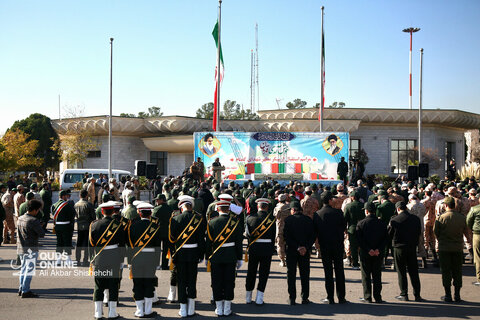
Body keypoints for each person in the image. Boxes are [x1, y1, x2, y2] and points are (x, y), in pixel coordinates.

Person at [206, 196, 243, 317]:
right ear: (229, 209)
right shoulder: (235, 222)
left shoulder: (211, 222)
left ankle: (219, 308)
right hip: (231, 255)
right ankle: (227, 309)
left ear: (217, 208)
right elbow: (239, 242)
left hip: (216, 256)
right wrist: (239, 257)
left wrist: (207, 257)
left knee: (216, 281)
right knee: (229, 281)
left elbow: (208, 243)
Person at [168, 195, 205, 317]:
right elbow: (201, 239)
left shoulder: (175, 219)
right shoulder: (198, 218)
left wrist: (173, 253)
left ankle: (183, 309)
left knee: (182, 281)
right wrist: (201, 254)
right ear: (191, 206)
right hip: (194, 253)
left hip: (180, 254)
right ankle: (191, 309)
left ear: (181, 206)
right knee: (192, 280)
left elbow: (171, 239)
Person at [89, 201, 126, 320]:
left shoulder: (94, 225)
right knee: (113, 284)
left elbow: (91, 244)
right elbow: (122, 244)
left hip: (100, 258)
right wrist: (121, 259)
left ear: (102, 211)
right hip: (114, 257)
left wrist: (92, 259)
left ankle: (98, 313)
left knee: (99, 285)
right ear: (112, 211)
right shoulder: (118, 225)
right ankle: (112, 313)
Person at [127, 202, 160, 318]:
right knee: (149, 284)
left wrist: (129, 262)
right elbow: (157, 247)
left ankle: (139, 311)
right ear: (151, 213)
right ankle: (148, 310)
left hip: (136, 258)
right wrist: (157, 262)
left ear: (139, 212)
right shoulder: (155, 227)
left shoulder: (132, 226)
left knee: (138, 284)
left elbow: (129, 246)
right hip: (151, 258)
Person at [315, 191, 347, 304]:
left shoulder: (317, 214)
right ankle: (341, 297)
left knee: (328, 272)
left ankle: (330, 297)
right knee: (339, 271)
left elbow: (316, 231)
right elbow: (343, 226)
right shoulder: (338, 213)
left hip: (325, 246)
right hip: (337, 245)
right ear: (329, 200)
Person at [388, 201, 423, 302]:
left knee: (401, 271)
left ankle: (404, 294)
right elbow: (418, 232)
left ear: (398, 209)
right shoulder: (415, 219)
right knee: (414, 271)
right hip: (412, 247)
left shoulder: (394, 220)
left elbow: (389, 234)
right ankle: (417, 294)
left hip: (399, 248)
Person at [435, 197, 467, 302]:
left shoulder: (441, 218)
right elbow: (466, 232)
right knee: (457, 271)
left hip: (444, 247)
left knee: (446, 271)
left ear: (446, 205)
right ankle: (457, 295)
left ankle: (448, 295)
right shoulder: (461, 217)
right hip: (457, 247)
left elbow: (436, 233)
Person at [245, 198, 276, 305]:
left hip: (254, 248)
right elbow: (273, 237)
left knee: (251, 272)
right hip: (267, 248)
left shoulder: (250, 218)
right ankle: (259, 298)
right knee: (264, 273)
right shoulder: (272, 219)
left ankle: (248, 296)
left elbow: (248, 235)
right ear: (267, 207)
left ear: (258, 206)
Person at [283, 204, 315, 305]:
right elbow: (313, 236)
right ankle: (305, 297)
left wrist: (297, 247)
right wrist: (305, 247)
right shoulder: (308, 220)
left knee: (291, 274)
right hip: (305, 251)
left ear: (293, 210)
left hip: (292, 250)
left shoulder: (288, 220)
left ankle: (292, 298)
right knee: (305, 274)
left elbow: (286, 237)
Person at [356, 201, 387, 303]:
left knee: (366, 275)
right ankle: (378, 297)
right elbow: (385, 239)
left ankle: (367, 296)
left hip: (366, 253)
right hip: (378, 253)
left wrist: (368, 250)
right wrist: (378, 249)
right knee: (377, 275)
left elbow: (359, 240)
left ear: (366, 211)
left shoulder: (361, 223)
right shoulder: (382, 223)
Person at [17, 199, 45, 298]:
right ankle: (25, 290)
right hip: (31, 249)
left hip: (21, 248)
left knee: (23, 270)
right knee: (29, 271)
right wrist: (41, 226)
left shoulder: (20, 218)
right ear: (35, 210)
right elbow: (42, 234)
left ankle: (21, 288)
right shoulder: (33, 220)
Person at [52, 190, 75, 266]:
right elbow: (72, 215)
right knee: (67, 242)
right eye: (66, 196)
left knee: (59, 242)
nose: (67, 197)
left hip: (57, 226)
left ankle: (58, 260)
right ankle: (68, 259)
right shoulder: (67, 205)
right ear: (63, 196)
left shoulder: (54, 205)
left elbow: (53, 214)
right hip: (66, 225)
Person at [344, 191, 365, 269]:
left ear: (352, 197)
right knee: (362, 246)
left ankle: (355, 263)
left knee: (353, 247)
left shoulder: (348, 206)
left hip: (352, 229)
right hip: (362, 228)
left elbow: (345, 218)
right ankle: (362, 262)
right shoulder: (363, 205)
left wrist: (345, 229)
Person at [74, 190, 95, 266]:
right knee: (86, 244)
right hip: (88, 226)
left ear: (80, 195)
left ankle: (77, 260)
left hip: (79, 226)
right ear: (86, 196)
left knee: (78, 244)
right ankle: (85, 260)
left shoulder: (76, 204)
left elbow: (75, 215)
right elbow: (93, 216)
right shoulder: (89, 204)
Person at [408, 194, 428, 268]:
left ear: (410, 199)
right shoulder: (422, 205)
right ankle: (424, 261)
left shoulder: (408, 206)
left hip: (412, 228)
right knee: (421, 244)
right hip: (421, 226)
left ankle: (414, 263)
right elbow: (424, 213)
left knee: (413, 246)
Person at [273, 194, 290, 267]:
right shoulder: (289, 206)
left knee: (280, 244)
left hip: (280, 227)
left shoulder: (278, 207)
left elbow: (276, 216)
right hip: (289, 226)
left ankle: (282, 260)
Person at [467, 201, 480, 286]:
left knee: (478, 257)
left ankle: (479, 278)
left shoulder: (474, 209)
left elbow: (468, 221)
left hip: (477, 234)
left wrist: (472, 229)